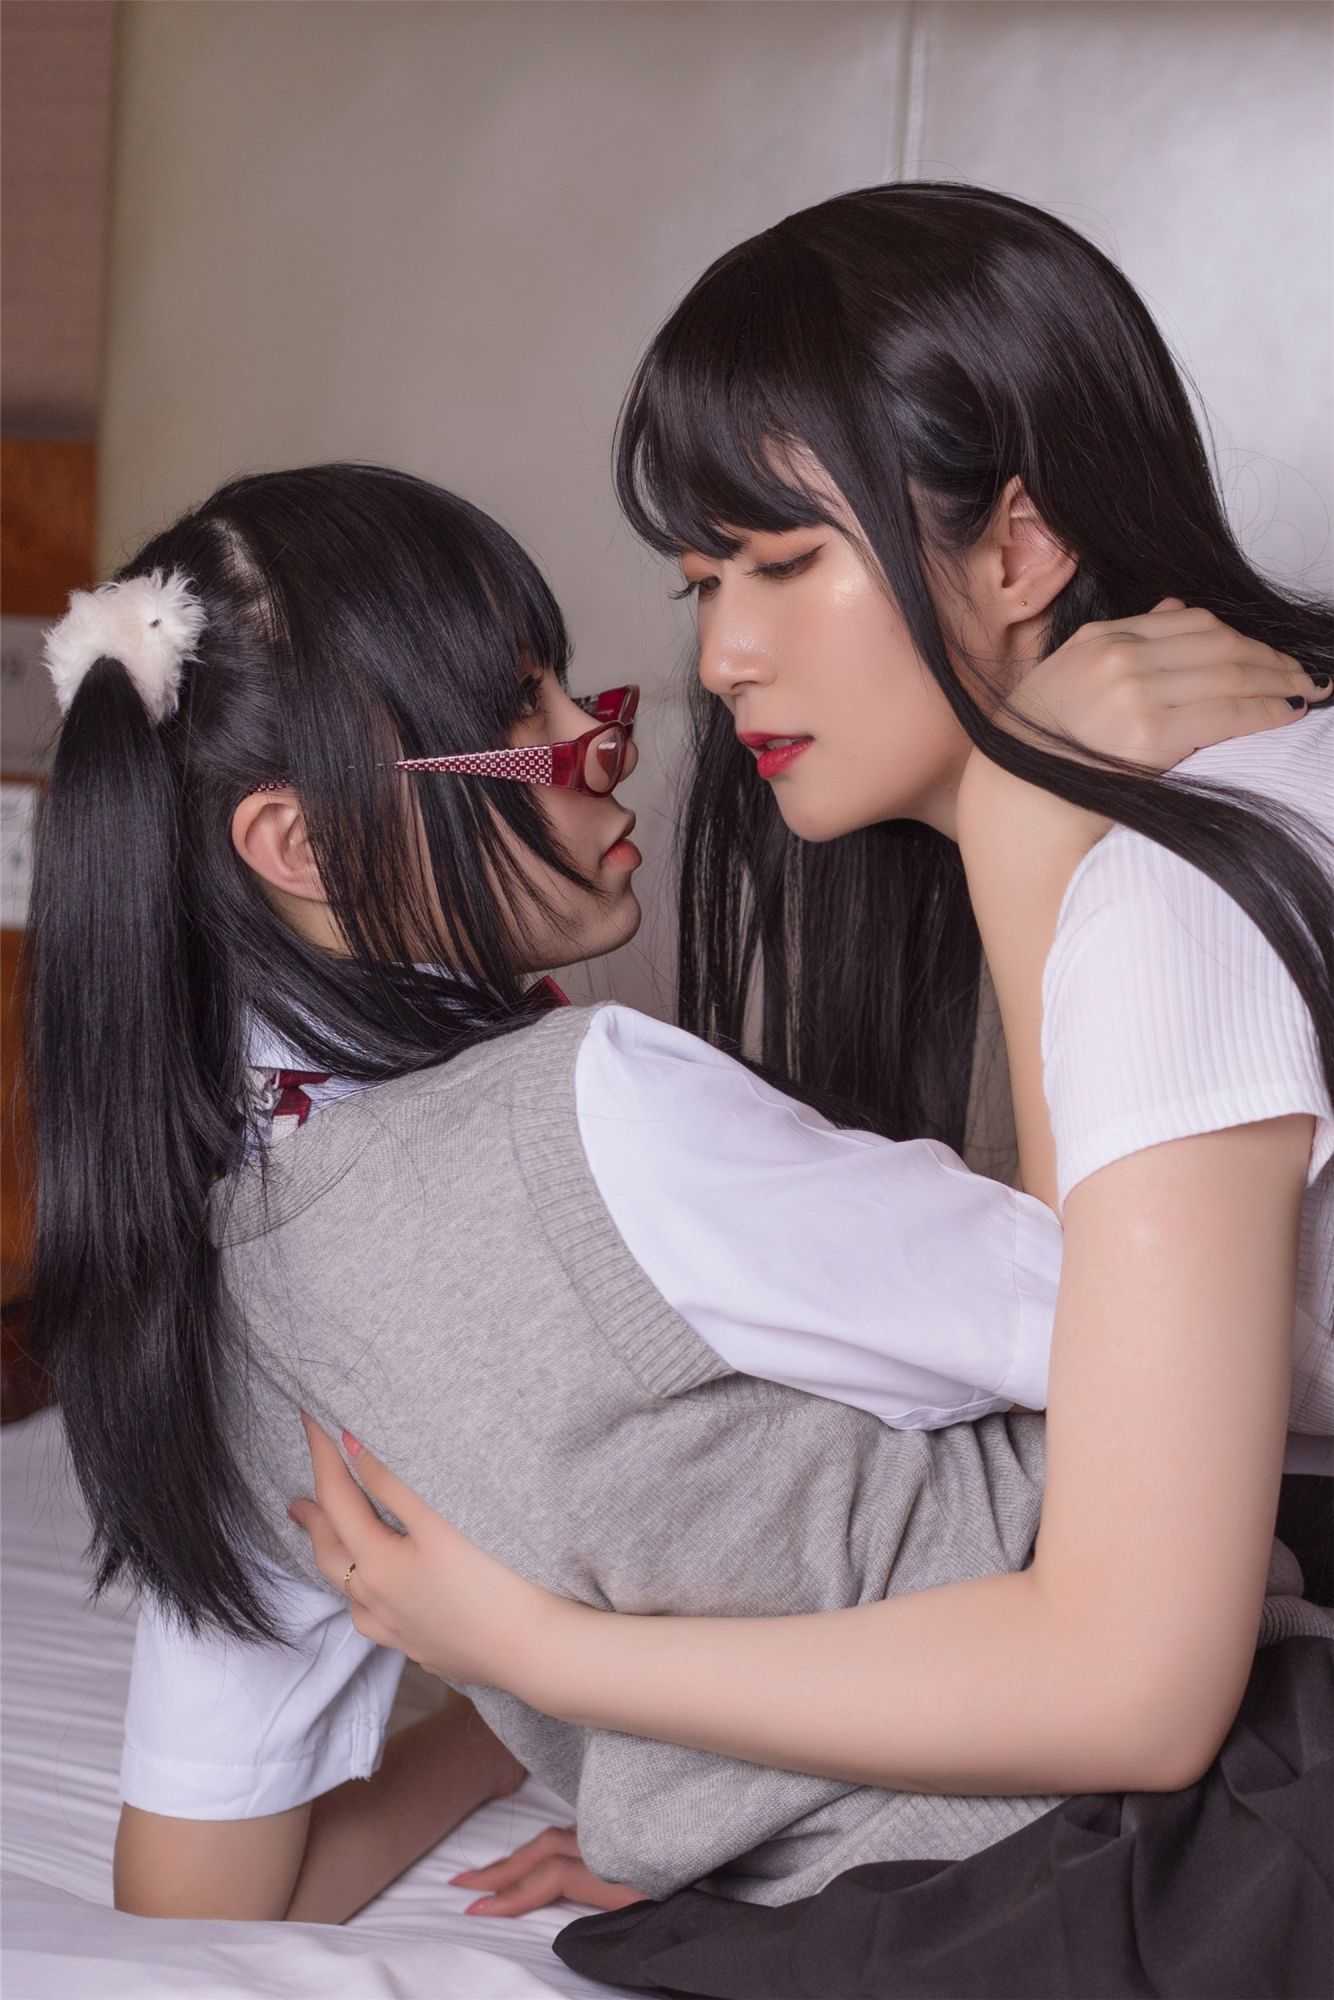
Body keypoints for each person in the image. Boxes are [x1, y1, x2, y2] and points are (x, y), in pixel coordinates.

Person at [28, 461, 1296, 1923]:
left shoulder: (206, 1318)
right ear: (303, 846)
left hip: (860, 1913)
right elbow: (1131, 1321)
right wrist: (1027, 829)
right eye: (522, 714)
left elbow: (201, 1903)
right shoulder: (591, 1115)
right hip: (1153, 1835)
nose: (604, 739)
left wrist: (626, 1766)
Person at [286, 186, 1334, 1894]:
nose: (722, 656)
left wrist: (544, 1657)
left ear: (1016, 549)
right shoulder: (1189, 807)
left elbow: (1125, 1685)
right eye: (702, 581)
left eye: (782, 564)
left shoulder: (1165, 894)